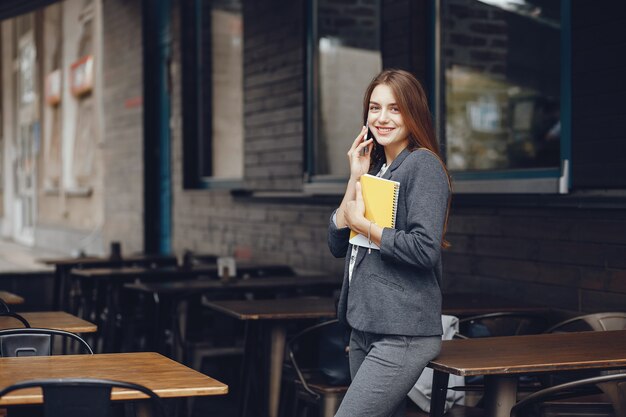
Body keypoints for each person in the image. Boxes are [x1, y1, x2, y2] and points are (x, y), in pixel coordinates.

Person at [327, 68, 451, 417]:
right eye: (374, 107)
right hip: (365, 327)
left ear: (414, 113)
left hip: (403, 333)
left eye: (395, 109)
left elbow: (425, 249)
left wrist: (365, 226)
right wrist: (355, 176)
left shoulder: (422, 165)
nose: (382, 118)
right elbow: (337, 242)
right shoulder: (377, 170)